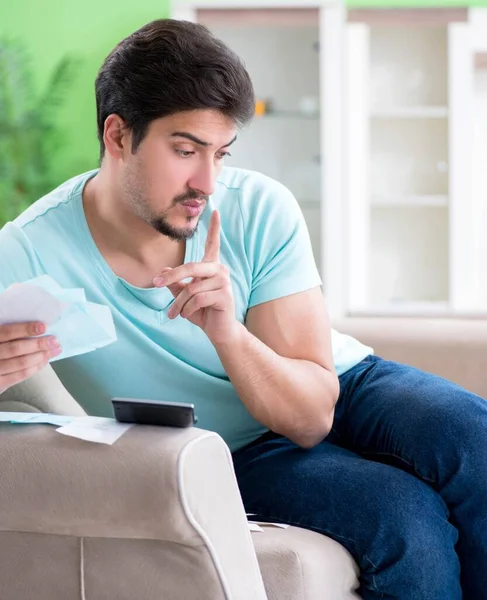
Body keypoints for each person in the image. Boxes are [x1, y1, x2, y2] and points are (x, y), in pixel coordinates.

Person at [0, 19, 485, 599]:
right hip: (226, 448)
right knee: (403, 518)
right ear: (118, 135)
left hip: (328, 382)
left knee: (469, 434)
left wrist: (227, 331)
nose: (206, 181)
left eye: (221, 154)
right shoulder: (25, 253)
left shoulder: (259, 207)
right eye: (185, 150)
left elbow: (310, 414)